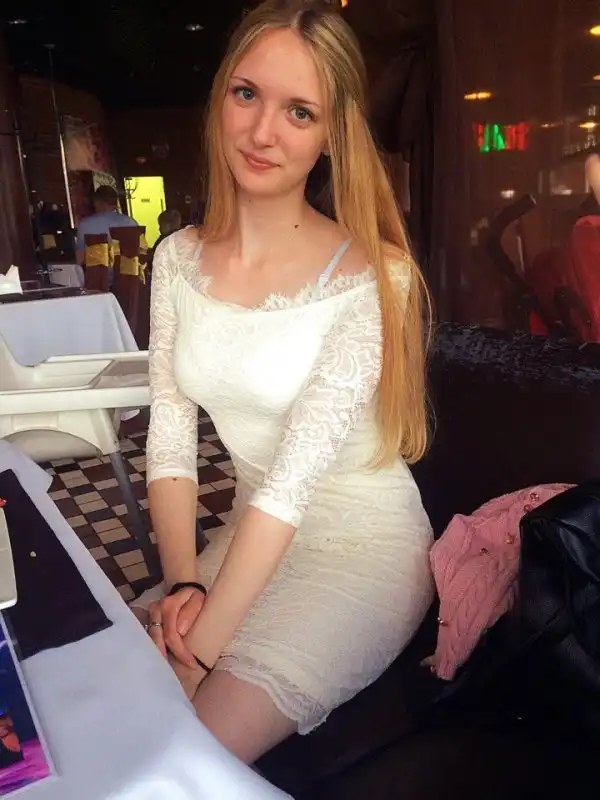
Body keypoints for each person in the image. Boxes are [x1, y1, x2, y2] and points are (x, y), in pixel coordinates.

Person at [132, 0, 434, 764]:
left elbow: (291, 487)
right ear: (220, 99)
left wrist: (198, 652)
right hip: (249, 534)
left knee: (191, 751)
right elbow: (170, 431)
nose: (263, 131)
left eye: (300, 111)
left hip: (363, 548)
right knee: (116, 698)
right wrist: (181, 587)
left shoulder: (375, 278)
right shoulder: (176, 259)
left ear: (332, 134)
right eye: (247, 94)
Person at [75, 185, 138, 265]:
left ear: (96, 202)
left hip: (97, 272)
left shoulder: (85, 224)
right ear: (115, 203)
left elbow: (80, 258)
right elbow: (140, 253)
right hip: (127, 271)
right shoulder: (131, 222)